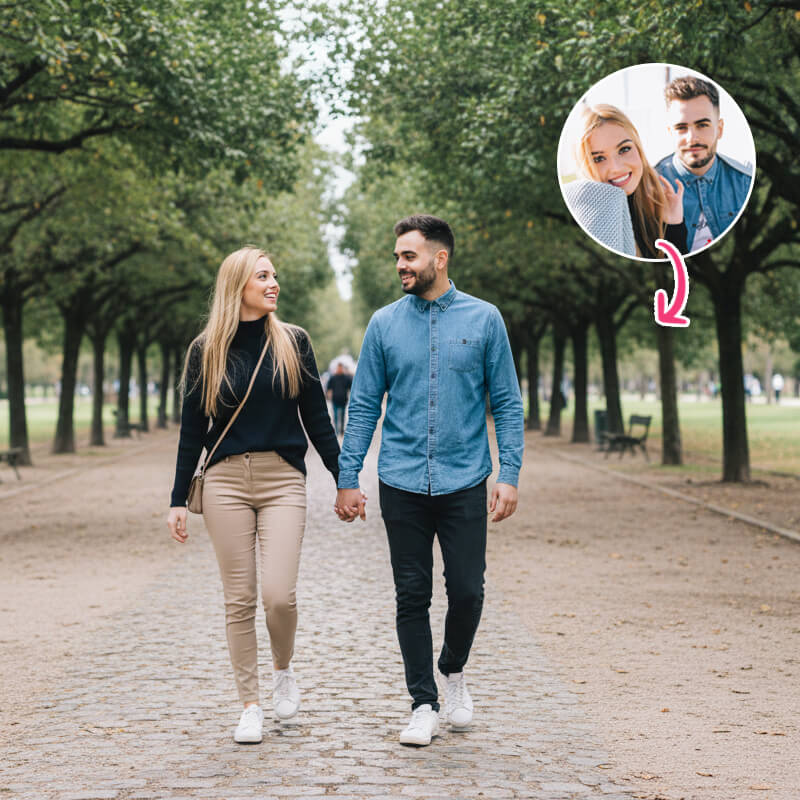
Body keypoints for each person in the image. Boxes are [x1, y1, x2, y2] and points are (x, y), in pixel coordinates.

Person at [334, 215, 524, 746]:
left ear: (439, 259)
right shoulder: (383, 325)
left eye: (409, 256)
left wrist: (509, 473)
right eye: (397, 256)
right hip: (401, 480)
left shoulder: (486, 320)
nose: (400, 265)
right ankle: (423, 701)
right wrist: (348, 478)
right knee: (411, 595)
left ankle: (453, 670)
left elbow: (507, 402)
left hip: (466, 479)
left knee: (467, 591)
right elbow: (364, 405)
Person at [166, 246, 340, 744]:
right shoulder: (206, 350)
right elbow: (191, 432)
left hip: (283, 478)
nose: (273, 283)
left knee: (278, 596)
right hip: (223, 483)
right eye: (262, 275)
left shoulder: (294, 342)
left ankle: (283, 668)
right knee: (238, 600)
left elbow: (317, 418)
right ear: (236, 284)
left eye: (274, 275)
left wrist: (342, 477)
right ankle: (250, 704)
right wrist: (178, 499)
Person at [572, 104, 687, 258]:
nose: (616, 168)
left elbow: (678, 271)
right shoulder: (591, 216)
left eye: (624, 149)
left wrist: (673, 223)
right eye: (598, 158)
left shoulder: (655, 201)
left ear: (638, 147)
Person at [656, 76, 753, 254]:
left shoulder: (744, 181)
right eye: (681, 128)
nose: (692, 138)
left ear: (720, 129)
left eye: (702, 125)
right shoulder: (649, 187)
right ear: (670, 132)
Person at [326, 362, 353, 436]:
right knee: (335, 416)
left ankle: (341, 430)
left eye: (341, 368)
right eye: (338, 367)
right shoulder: (333, 377)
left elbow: (351, 387)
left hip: (343, 399)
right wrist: (328, 395)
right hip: (335, 399)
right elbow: (329, 387)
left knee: (342, 416)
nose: (340, 369)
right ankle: (337, 431)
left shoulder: (346, 377)